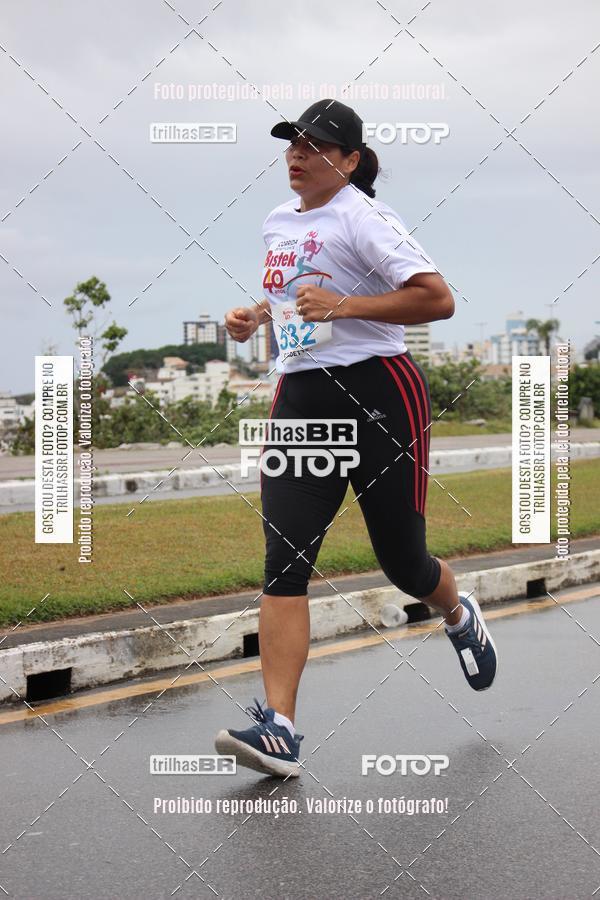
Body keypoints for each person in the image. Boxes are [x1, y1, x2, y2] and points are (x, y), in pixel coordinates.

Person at [215, 99, 497, 778]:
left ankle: (457, 613)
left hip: (380, 395)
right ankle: (279, 727)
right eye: (292, 143)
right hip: (302, 397)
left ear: (348, 161)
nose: (297, 154)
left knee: (403, 563)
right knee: (285, 558)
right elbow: (292, 295)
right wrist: (255, 315)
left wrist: (346, 306)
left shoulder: (368, 218)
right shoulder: (277, 222)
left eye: (315, 146)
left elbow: (437, 298)